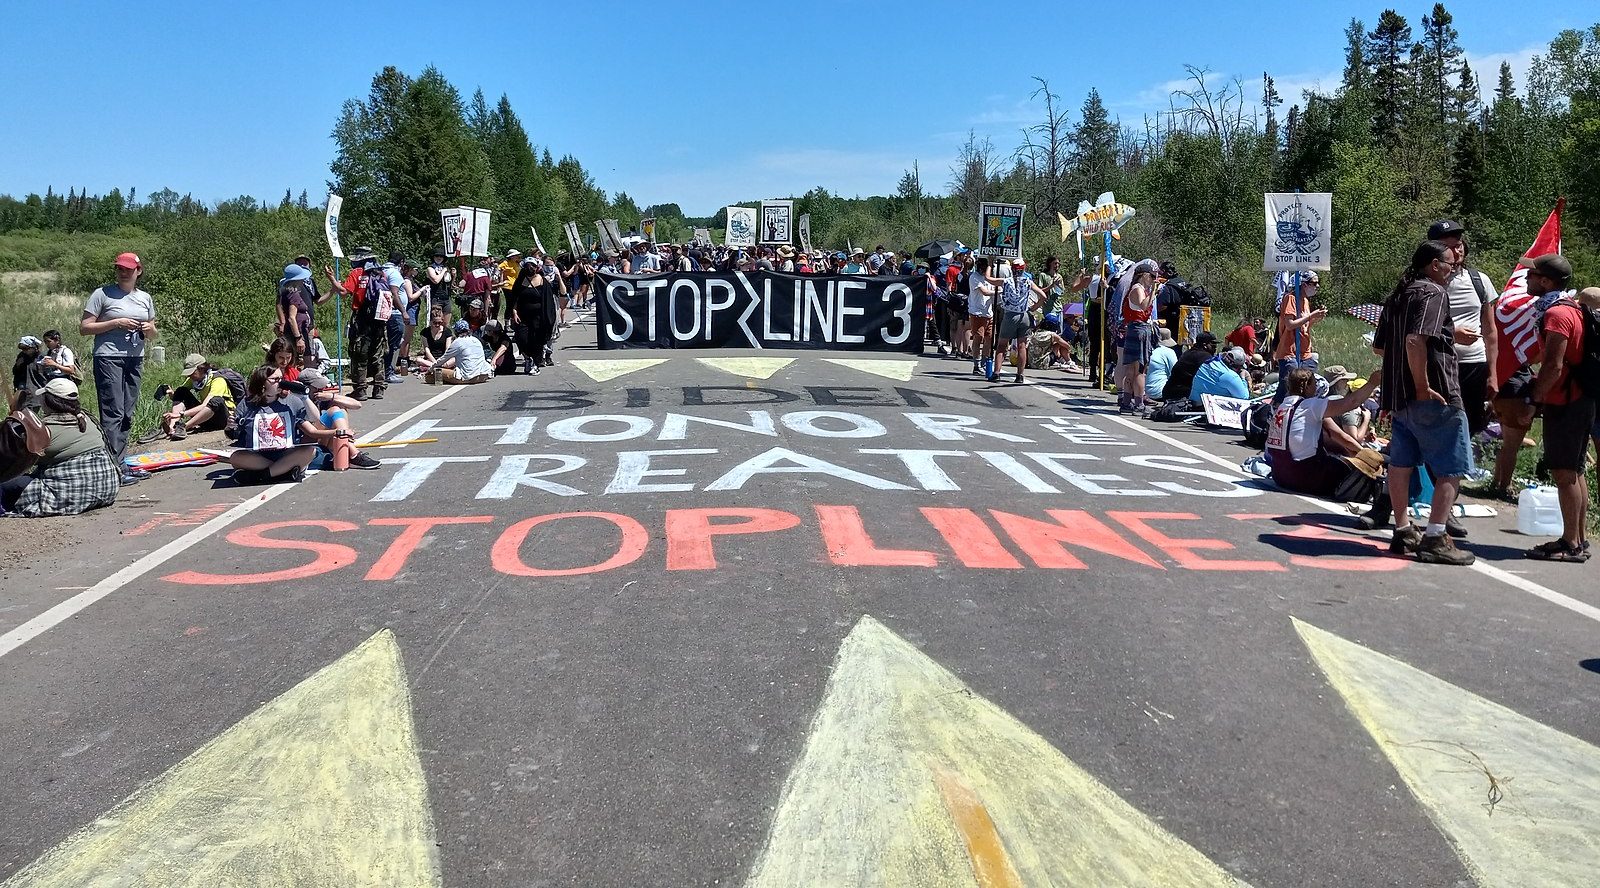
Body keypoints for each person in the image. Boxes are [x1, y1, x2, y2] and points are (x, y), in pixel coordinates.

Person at [1374, 240, 1475, 565]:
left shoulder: (1398, 296)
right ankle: (1434, 536)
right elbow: (1416, 339)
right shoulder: (1433, 293)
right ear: (1434, 265)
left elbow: (1381, 347)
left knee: (1401, 464)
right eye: (1449, 263)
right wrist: (1423, 385)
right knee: (1450, 467)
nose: (1453, 268)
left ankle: (1403, 530)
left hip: (1398, 396)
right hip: (1433, 394)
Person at [1523, 254, 1591, 561]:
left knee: (1564, 473)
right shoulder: (1571, 308)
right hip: (1579, 399)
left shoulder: (1556, 315)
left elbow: (1553, 364)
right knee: (1575, 471)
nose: (1526, 279)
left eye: (1532, 276)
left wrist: (1535, 397)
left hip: (1566, 400)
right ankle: (1579, 538)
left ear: (1546, 281)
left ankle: (1570, 544)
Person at [81, 252, 156, 485]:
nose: (123, 272)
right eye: (119, 268)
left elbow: (153, 332)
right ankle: (111, 467)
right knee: (112, 412)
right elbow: (85, 328)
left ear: (138, 271)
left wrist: (146, 328)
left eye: (127, 269)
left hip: (134, 357)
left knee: (126, 412)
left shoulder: (145, 298)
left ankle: (120, 462)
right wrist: (116, 323)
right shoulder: (102, 294)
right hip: (108, 357)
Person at [0, 378, 120, 517]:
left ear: (48, 402)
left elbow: (13, 459)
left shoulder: (45, 432)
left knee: (6, 485)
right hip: (106, 488)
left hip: (74, 494)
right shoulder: (87, 419)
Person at [1265, 368, 1383, 498]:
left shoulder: (1282, 407)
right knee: (1355, 471)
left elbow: (1335, 434)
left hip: (1280, 475)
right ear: (1307, 386)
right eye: (1314, 384)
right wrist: (1372, 383)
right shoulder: (1310, 405)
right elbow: (1351, 403)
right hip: (1303, 477)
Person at [230, 365, 350, 484]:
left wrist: (304, 398)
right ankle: (283, 473)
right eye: (275, 379)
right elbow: (232, 433)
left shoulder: (291, 401)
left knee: (310, 452)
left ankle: (262, 476)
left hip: (285, 454)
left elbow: (314, 420)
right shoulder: (247, 404)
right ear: (262, 382)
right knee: (235, 458)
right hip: (259, 456)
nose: (280, 382)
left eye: (281, 379)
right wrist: (230, 426)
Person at [293, 369, 380, 470]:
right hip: (306, 441)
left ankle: (349, 450)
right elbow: (312, 432)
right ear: (305, 387)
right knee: (334, 410)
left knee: (339, 406)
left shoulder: (320, 399)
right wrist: (340, 432)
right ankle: (354, 454)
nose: (320, 389)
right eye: (316, 387)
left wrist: (332, 396)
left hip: (323, 439)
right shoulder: (298, 402)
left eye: (321, 387)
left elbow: (357, 405)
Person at [1117, 260, 1159, 415]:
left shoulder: (1138, 288)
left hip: (1136, 329)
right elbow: (1144, 305)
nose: (1153, 279)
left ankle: (1127, 402)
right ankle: (1139, 403)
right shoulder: (1138, 289)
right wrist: (1154, 291)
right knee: (1139, 369)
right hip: (1139, 329)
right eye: (1152, 276)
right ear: (1144, 275)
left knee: (1132, 369)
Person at [160, 353, 234, 440]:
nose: (189, 376)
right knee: (181, 391)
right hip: (205, 417)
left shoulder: (218, 380)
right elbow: (179, 397)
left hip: (223, 419)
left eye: (192, 372)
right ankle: (172, 427)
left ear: (201, 368)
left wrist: (180, 414)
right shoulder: (193, 380)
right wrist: (172, 394)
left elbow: (206, 405)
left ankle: (184, 426)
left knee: (216, 400)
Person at [510, 259, 556, 374]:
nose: (530, 268)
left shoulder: (542, 281)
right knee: (521, 338)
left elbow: (548, 301)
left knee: (536, 341)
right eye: (527, 266)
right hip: (522, 316)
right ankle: (527, 358)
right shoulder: (520, 281)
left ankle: (535, 364)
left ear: (537, 268)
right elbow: (515, 298)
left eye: (533, 266)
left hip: (538, 317)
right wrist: (514, 312)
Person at [993, 261, 1035, 384]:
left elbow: (988, 279)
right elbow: (1042, 295)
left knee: (1002, 345)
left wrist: (990, 264)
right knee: (1022, 346)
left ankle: (997, 373)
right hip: (1024, 315)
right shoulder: (1028, 282)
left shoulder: (1006, 281)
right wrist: (1033, 308)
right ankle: (1020, 375)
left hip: (1010, 315)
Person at [1161, 331, 1218, 401]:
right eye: (1213, 345)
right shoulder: (1204, 356)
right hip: (1178, 396)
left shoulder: (1189, 352)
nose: (1215, 347)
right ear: (1205, 345)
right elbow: (1214, 377)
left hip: (1169, 392)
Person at [10, 336, 48, 412]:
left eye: (26, 349)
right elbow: (15, 372)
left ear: (34, 348)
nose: (24, 351)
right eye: (22, 349)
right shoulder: (22, 356)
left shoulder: (42, 358)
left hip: (38, 391)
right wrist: (18, 365)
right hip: (23, 391)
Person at [1146, 330, 1180, 402]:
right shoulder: (1168, 352)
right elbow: (1176, 372)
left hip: (1141, 392)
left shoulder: (1147, 349)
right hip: (1159, 393)